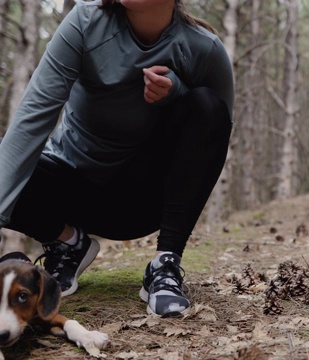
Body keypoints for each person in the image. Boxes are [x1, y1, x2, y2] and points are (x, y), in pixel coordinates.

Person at [0, 0, 234, 317]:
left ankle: (165, 266)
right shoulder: (85, 22)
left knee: (209, 104)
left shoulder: (203, 48)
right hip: (65, 187)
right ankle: (69, 244)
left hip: (140, 201)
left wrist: (177, 92)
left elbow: (213, 135)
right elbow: (31, 122)